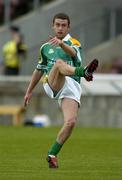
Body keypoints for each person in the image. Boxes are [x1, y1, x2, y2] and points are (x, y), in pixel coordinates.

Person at [24, 13, 98, 168]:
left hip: (71, 87)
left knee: (70, 122)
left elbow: (73, 53)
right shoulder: (45, 48)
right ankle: (84, 72)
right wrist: (29, 91)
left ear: (68, 27)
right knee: (58, 63)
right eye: (57, 25)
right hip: (52, 82)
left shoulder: (74, 43)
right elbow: (38, 70)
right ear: (53, 26)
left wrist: (61, 44)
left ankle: (52, 154)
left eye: (63, 25)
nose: (60, 28)